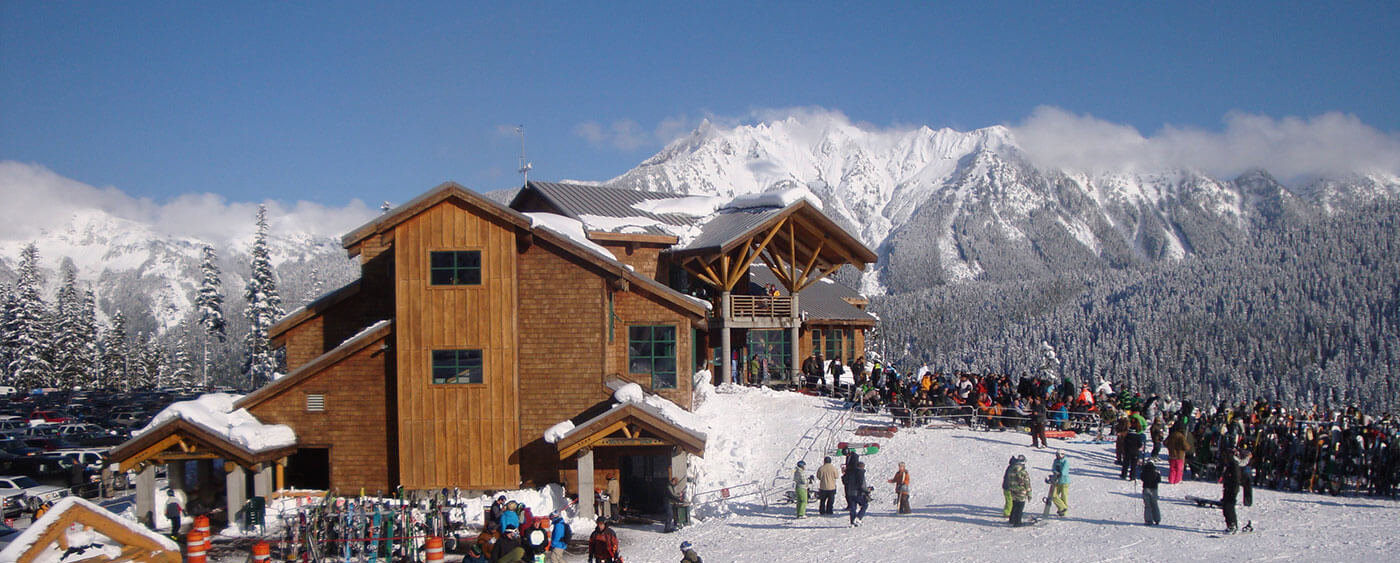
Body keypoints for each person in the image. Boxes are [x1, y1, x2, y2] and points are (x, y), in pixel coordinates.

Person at [1220, 447, 1243, 534]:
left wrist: (1232, 487)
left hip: (1232, 488)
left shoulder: (1233, 463)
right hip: (1228, 487)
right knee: (1226, 507)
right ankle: (1230, 524)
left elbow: (1236, 478)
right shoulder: (1230, 463)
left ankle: (1232, 524)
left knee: (1229, 506)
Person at [843, 459, 870, 526]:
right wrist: (866, 490)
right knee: (865, 505)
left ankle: (852, 521)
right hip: (858, 493)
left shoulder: (851, 473)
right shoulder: (860, 473)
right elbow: (862, 484)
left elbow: (846, 481)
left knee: (853, 508)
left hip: (850, 492)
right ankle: (858, 517)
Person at [1007, 455, 1032, 526]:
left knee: (1014, 505)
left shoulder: (1011, 470)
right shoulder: (1023, 472)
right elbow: (1027, 483)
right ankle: (1017, 522)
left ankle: (1012, 519)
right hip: (1021, 491)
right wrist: (1029, 493)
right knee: (1020, 507)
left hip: (1013, 490)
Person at [1141, 460, 1162, 525]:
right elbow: (1159, 480)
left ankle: (1148, 520)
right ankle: (1157, 519)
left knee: (1147, 506)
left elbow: (1142, 478)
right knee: (1155, 505)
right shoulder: (1156, 472)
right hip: (1154, 489)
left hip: (1146, 488)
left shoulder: (1144, 471)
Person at [1049, 450, 1070, 517]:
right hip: (1057, 481)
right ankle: (1062, 507)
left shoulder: (1065, 461)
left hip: (1064, 481)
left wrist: (1059, 473)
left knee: (1064, 496)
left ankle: (1063, 511)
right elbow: (1053, 468)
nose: (1057, 456)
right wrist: (1054, 473)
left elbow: (1064, 471)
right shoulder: (1056, 461)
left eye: (1059, 455)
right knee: (1054, 495)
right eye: (1056, 455)